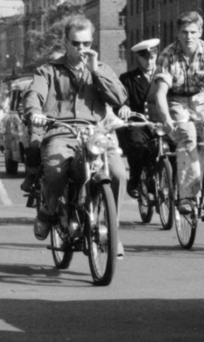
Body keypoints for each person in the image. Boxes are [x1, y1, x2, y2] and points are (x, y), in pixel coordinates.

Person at [24, 14, 128, 240]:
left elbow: (119, 98)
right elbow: (35, 94)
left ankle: (111, 231)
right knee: (55, 171)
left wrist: (96, 72)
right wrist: (35, 113)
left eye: (87, 43)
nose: (82, 48)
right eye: (76, 43)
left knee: (119, 174)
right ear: (66, 42)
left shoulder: (101, 69)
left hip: (95, 133)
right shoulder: (48, 71)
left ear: (93, 43)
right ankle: (48, 210)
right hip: (61, 132)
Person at [148, 11, 204, 208]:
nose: (189, 37)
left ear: (200, 32)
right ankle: (186, 197)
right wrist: (166, 118)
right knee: (188, 137)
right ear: (178, 33)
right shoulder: (168, 55)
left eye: (193, 32)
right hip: (176, 100)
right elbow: (160, 93)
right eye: (184, 32)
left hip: (202, 99)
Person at [119, 37, 162, 202]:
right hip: (139, 124)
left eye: (152, 57)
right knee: (138, 147)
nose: (149, 61)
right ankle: (135, 180)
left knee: (174, 148)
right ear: (138, 58)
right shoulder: (128, 79)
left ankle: (172, 183)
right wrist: (123, 107)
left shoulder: (164, 76)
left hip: (160, 122)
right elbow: (122, 99)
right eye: (145, 57)